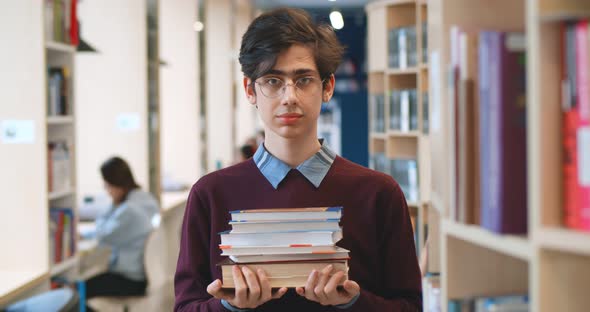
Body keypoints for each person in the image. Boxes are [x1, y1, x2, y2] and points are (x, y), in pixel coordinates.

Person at [174, 8, 422, 312]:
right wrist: (230, 308)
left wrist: (353, 302)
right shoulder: (210, 194)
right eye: (273, 81)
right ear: (250, 90)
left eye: (303, 80)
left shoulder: (379, 193)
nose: (289, 96)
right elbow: (185, 307)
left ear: (327, 87)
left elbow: (410, 306)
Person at [83, 156, 159, 311]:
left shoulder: (129, 211)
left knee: (81, 289)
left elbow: (103, 235)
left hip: (130, 279)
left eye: (107, 185)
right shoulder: (146, 199)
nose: (107, 190)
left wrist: (114, 204)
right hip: (144, 274)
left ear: (116, 184)